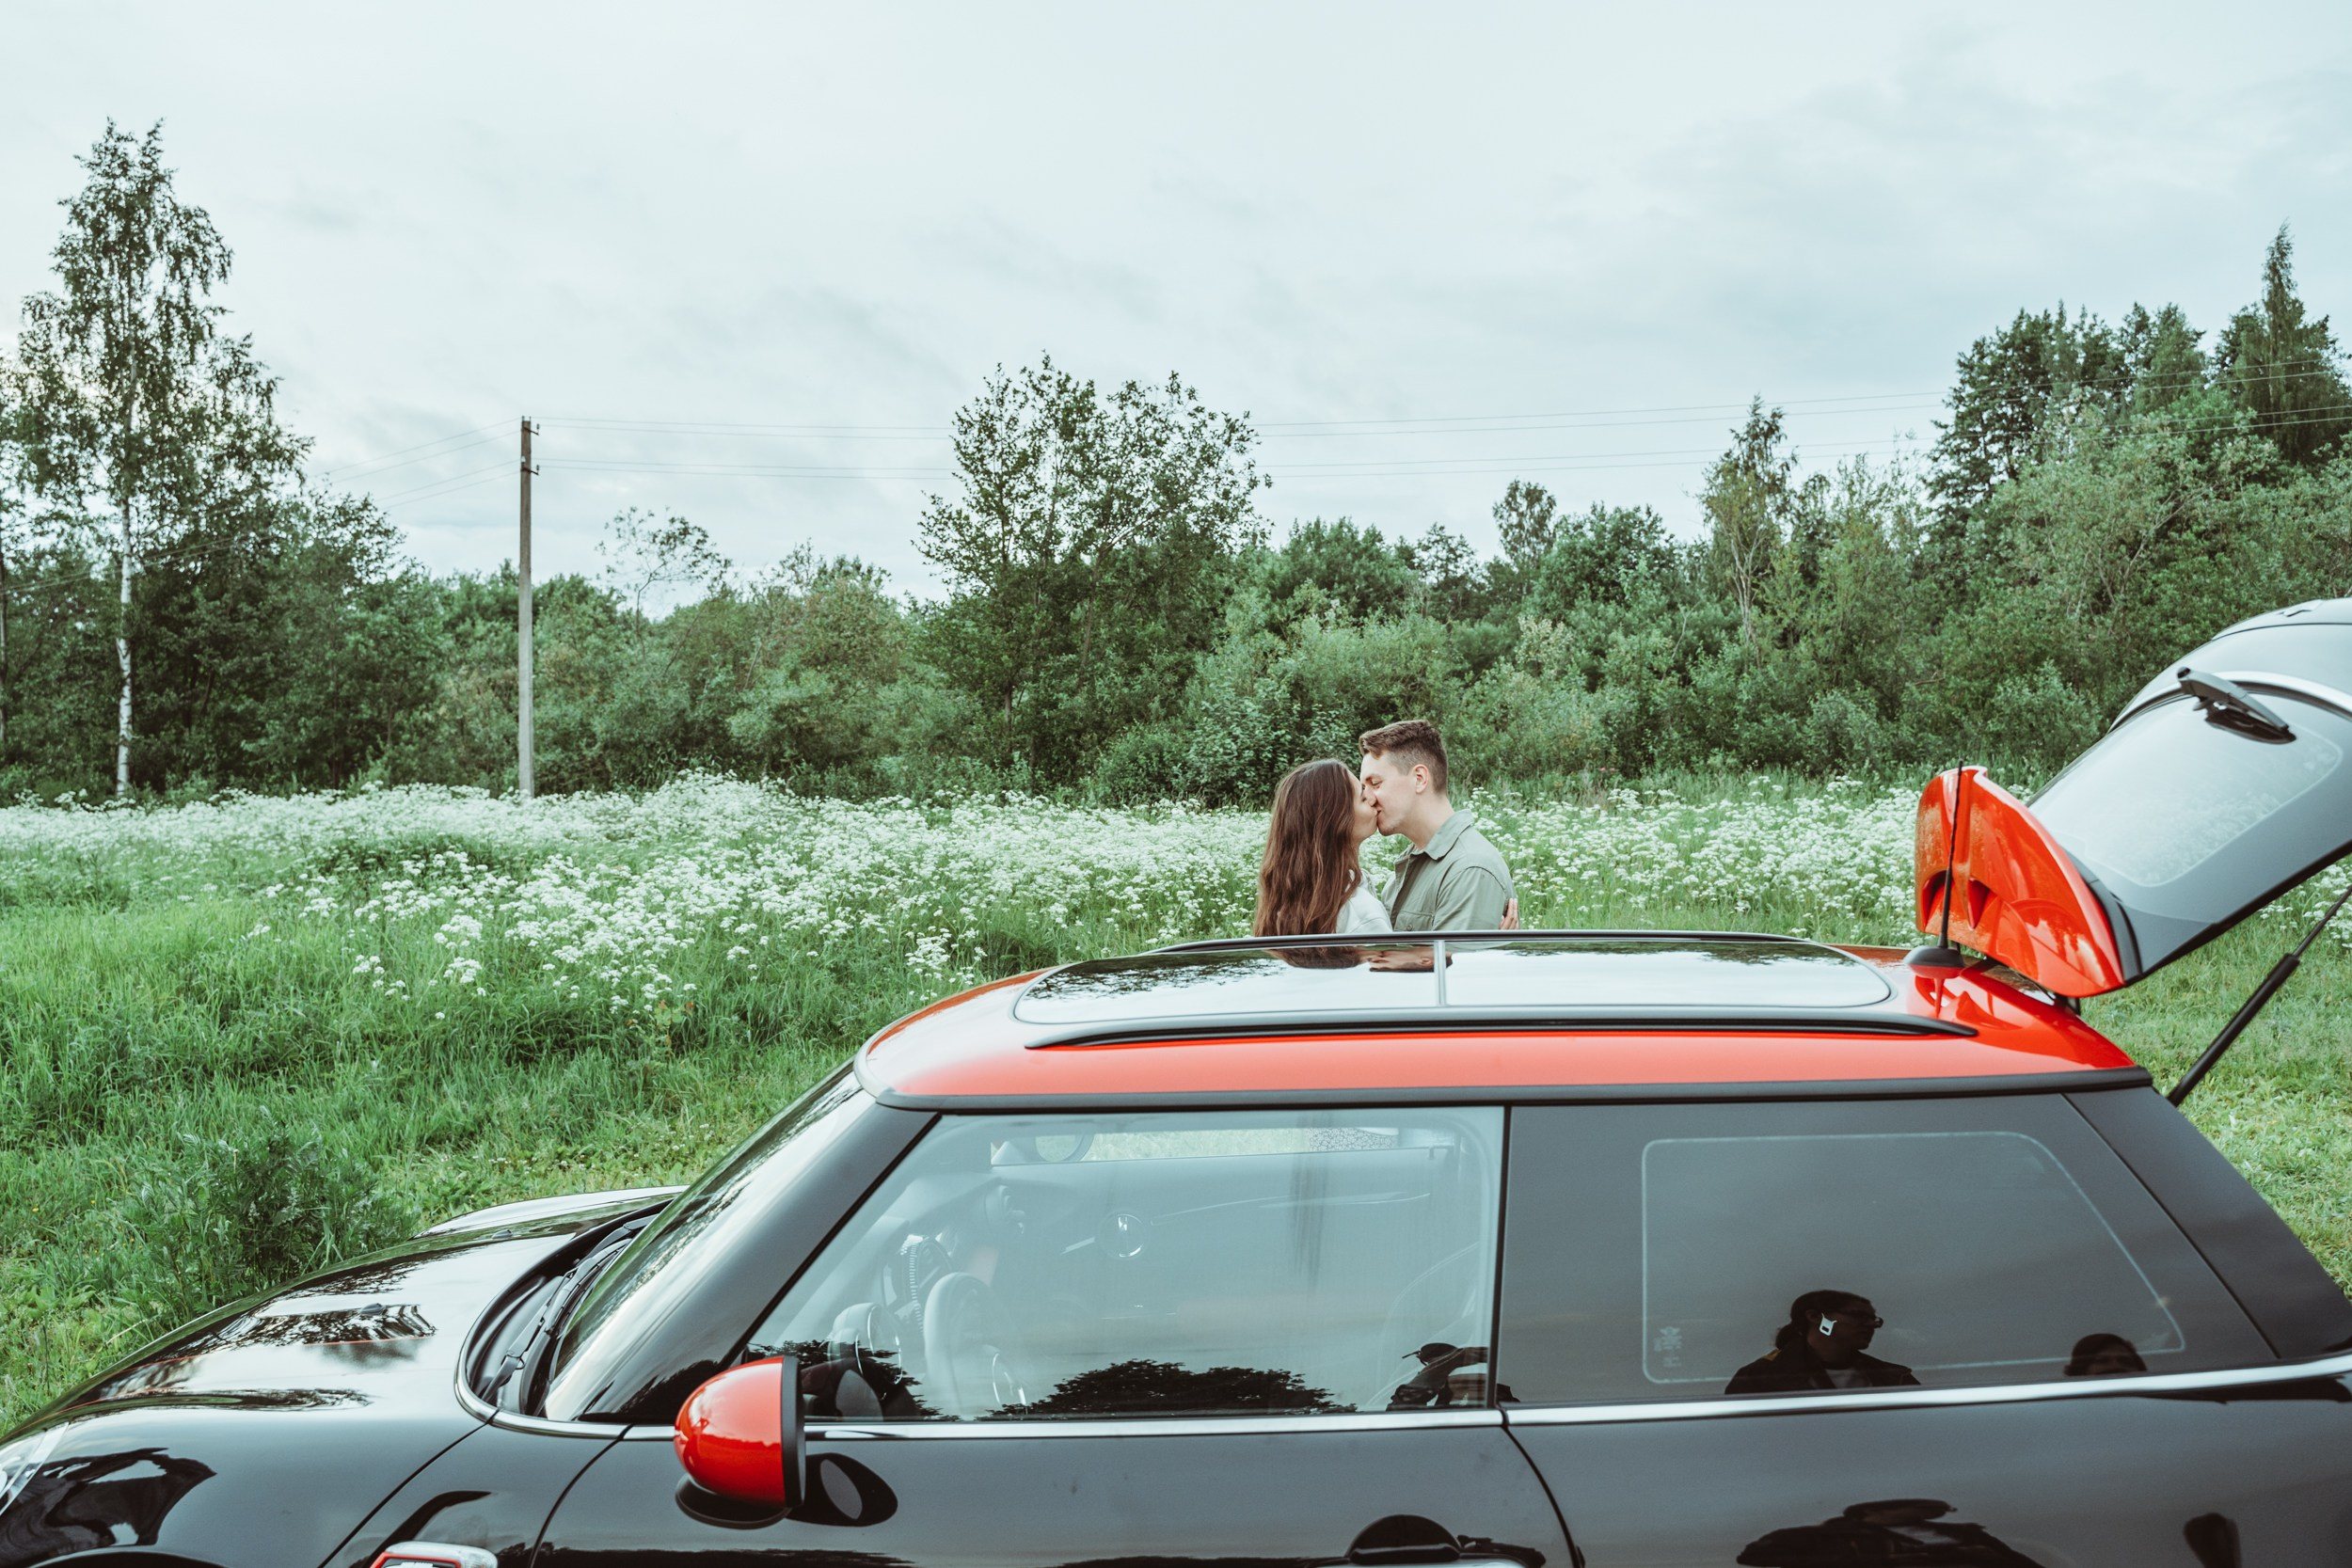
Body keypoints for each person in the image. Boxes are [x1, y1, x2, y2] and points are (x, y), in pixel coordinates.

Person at [1358, 720, 1516, 931]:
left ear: (1420, 778)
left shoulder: (1470, 870)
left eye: (1375, 784)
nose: (1368, 797)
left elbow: (1458, 965)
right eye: (1363, 787)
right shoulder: (1408, 868)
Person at [1254, 759, 1391, 937]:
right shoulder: (1362, 916)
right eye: (1362, 797)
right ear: (1336, 822)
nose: (1373, 799)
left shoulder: (1284, 907)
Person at [1725, 1289, 1918, 1395]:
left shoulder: (1895, 1377)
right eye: (1857, 1315)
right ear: (1815, 1317)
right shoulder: (1760, 1378)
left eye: (1874, 1320)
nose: (1870, 1325)